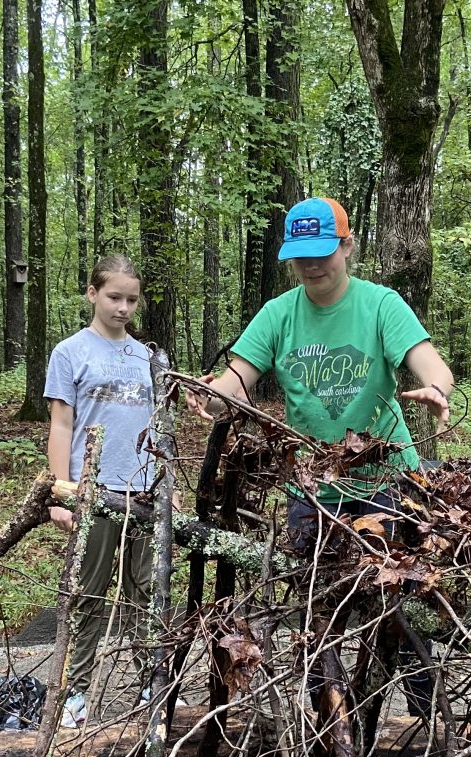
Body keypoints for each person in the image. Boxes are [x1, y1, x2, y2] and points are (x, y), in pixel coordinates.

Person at [194, 196, 454, 548]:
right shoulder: (277, 315)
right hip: (312, 484)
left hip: (386, 480)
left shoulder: (380, 305)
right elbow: (230, 387)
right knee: (316, 590)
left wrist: (437, 389)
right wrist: (206, 398)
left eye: (322, 254)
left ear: (347, 246)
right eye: (301, 257)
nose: (311, 265)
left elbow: (432, 365)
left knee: (387, 587)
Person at [45, 255, 156, 728]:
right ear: (92, 294)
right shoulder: (70, 352)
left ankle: (152, 681)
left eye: (131, 299)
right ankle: (77, 690)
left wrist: (165, 486)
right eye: (114, 297)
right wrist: (61, 492)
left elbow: (157, 426)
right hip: (93, 490)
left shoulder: (148, 356)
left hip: (144, 491)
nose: (123, 307)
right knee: (88, 592)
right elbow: (61, 423)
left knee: (144, 591)